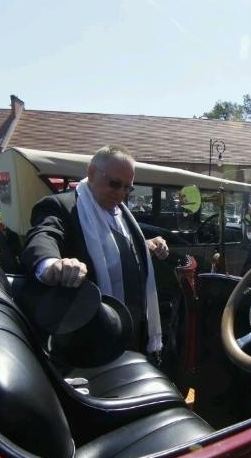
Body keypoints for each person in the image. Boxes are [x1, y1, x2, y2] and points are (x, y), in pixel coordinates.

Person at [20, 144, 170, 356]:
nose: (120, 193)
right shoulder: (60, 206)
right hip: (89, 333)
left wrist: (145, 246)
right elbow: (45, 234)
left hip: (131, 324)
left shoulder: (121, 212)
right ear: (91, 173)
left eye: (128, 188)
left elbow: (116, 245)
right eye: (115, 184)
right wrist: (52, 263)